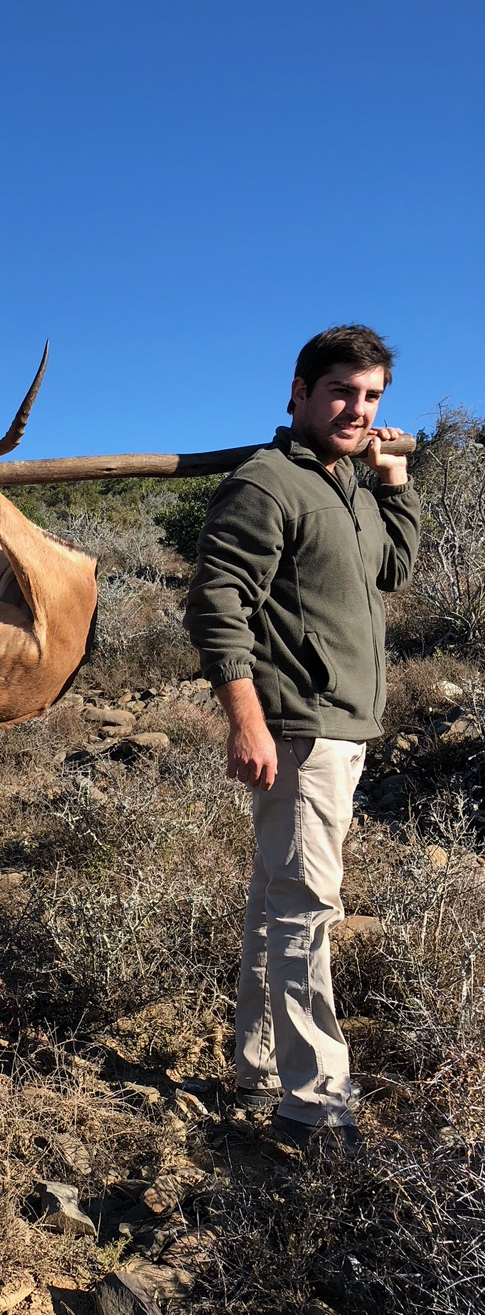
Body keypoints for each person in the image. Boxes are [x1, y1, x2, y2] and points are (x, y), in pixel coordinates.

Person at [184, 326, 421, 1155]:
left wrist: (393, 482)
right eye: (342, 393)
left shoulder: (348, 484)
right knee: (306, 909)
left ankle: (258, 1071)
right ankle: (315, 1104)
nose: (358, 410)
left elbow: (393, 571)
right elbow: (217, 606)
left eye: (372, 397)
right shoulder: (267, 483)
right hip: (299, 728)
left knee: (275, 900)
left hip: (344, 727)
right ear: (299, 393)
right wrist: (246, 718)